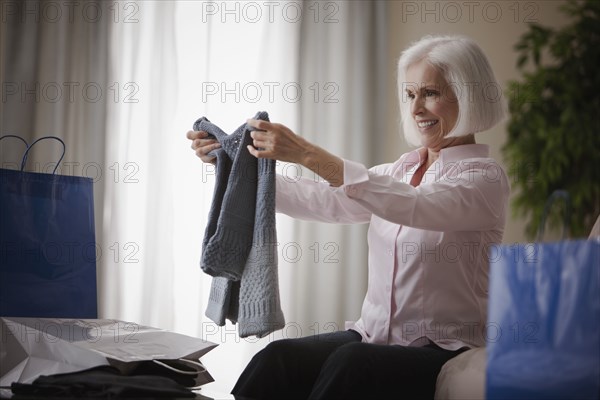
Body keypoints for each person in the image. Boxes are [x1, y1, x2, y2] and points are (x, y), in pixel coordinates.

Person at [187, 35, 510, 399]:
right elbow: (327, 201)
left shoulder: (484, 178)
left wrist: (309, 155)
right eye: (410, 95)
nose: (416, 108)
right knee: (278, 358)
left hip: (441, 348)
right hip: (372, 335)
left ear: (467, 96)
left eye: (430, 93)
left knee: (353, 363)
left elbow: (417, 205)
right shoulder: (399, 171)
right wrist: (233, 166)